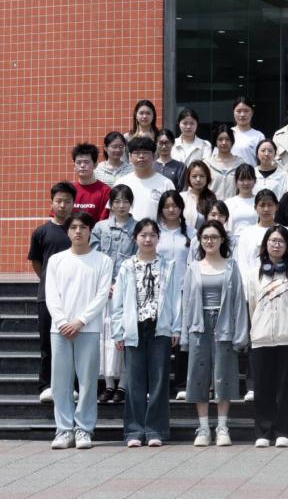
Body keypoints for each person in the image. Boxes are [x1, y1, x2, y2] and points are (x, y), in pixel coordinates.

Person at [111, 219, 181, 448]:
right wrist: (118, 331)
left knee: (159, 382)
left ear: (158, 237)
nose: (148, 239)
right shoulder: (127, 266)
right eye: (143, 235)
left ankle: (155, 430)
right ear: (135, 238)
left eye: (152, 235)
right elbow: (118, 302)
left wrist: (176, 327)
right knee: (134, 382)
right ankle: (134, 431)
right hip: (134, 327)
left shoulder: (168, 265)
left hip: (160, 328)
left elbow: (175, 298)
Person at [46, 211, 113, 450]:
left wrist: (80, 321)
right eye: (73, 227)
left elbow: (102, 296)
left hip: (88, 329)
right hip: (60, 329)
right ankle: (64, 430)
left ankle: (84, 429)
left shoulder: (103, 261)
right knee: (60, 382)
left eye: (83, 227)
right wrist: (63, 321)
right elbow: (51, 295)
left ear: (90, 231)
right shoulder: (56, 260)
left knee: (87, 382)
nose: (78, 231)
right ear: (67, 232)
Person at [180, 220, 248, 447]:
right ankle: (203, 427)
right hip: (199, 326)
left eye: (214, 237)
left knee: (224, 375)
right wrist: (184, 334)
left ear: (222, 240)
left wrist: (241, 334)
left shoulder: (231, 267)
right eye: (205, 237)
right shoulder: (193, 268)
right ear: (199, 241)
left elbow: (239, 301)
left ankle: (222, 426)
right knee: (198, 376)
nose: (209, 241)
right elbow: (186, 303)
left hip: (224, 325)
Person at [244, 225, 288, 448]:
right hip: (261, 338)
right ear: (266, 244)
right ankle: (264, 431)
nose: (277, 245)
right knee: (262, 387)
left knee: (287, 388)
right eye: (273, 241)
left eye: (281, 241)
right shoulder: (254, 274)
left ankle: (284, 431)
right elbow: (252, 306)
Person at [29, 182, 75, 403]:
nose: (63, 205)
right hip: (47, 297)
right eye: (59, 201)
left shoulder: (78, 230)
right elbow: (37, 263)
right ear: (52, 203)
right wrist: (50, 283)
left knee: (74, 343)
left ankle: (72, 385)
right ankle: (46, 385)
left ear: (73, 204)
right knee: (47, 343)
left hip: (75, 296)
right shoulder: (41, 232)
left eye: (67, 201)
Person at [90, 184, 136, 403]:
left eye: (125, 201)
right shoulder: (100, 228)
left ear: (131, 203)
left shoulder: (137, 227)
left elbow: (138, 259)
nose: (121, 205)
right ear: (111, 204)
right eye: (117, 201)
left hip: (127, 291)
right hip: (104, 291)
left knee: (124, 336)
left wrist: (122, 284)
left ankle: (123, 385)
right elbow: (93, 258)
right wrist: (105, 283)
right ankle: (109, 384)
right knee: (105, 337)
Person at [156, 191, 195, 400]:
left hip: (184, 290)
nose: (171, 210)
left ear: (181, 208)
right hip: (159, 292)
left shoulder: (192, 233)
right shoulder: (155, 232)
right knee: (160, 337)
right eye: (166, 206)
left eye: (175, 205)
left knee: (183, 340)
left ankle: (181, 383)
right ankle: (158, 384)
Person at [116, 137, 177, 222]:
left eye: (145, 152)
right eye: (137, 153)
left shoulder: (166, 183)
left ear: (154, 156)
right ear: (130, 156)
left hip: (156, 230)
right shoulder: (121, 183)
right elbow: (113, 213)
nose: (141, 156)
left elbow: (173, 213)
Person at [72, 143, 111, 223]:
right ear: (74, 166)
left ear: (95, 165)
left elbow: (104, 222)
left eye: (86, 162)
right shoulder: (69, 190)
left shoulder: (105, 191)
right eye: (78, 162)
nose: (82, 165)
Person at [204, 125, 244, 199]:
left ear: (232, 141)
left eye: (227, 139)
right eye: (220, 139)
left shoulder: (240, 164)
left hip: (234, 205)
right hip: (212, 205)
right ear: (215, 141)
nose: (224, 142)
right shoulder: (207, 164)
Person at [230, 96, 265, 166]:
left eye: (246, 111)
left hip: (251, 172)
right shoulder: (227, 133)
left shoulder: (259, 136)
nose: (242, 114)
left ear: (252, 113)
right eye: (238, 111)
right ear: (233, 112)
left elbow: (263, 161)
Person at [224, 164, 258, 237]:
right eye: (242, 179)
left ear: (255, 180)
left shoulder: (260, 202)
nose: (246, 183)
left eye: (249, 179)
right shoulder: (228, 203)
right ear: (236, 181)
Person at [181, 161, 215, 229]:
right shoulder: (181, 197)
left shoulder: (212, 198)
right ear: (188, 178)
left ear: (207, 177)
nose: (198, 179)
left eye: (202, 176)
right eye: (194, 176)